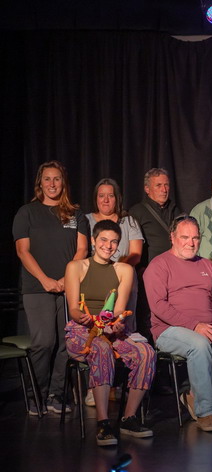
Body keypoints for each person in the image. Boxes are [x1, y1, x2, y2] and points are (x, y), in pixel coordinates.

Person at [144, 215, 212, 432]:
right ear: (172, 237)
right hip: (170, 330)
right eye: (185, 237)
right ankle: (205, 412)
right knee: (199, 344)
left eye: (195, 238)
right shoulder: (159, 265)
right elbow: (158, 306)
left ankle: (194, 395)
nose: (191, 243)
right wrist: (194, 326)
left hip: (209, 329)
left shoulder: (207, 265)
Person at [64, 220, 155, 447]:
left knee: (146, 352)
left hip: (109, 329)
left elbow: (118, 310)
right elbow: (73, 308)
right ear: (93, 241)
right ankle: (103, 423)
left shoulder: (124, 270)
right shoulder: (76, 266)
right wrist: (82, 318)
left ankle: (128, 418)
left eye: (114, 241)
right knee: (101, 348)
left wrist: (117, 323)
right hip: (82, 331)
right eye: (104, 240)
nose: (108, 245)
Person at [13, 161, 88, 415]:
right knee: (44, 342)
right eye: (47, 179)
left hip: (69, 287)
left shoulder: (76, 214)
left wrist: (68, 279)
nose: (52, 184)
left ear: (63, 182)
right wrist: (45, 279)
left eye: (57, 179)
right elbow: (22, 251)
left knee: (67, 343)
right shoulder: (27, 212)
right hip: (37, 288)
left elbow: (82, 250)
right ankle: (36, 395)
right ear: (40, 183)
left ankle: (56, 394)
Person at [129, 168, 181, 342]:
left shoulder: (176, 210)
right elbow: (132, 245)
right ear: (147, 189)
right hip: (150, 274)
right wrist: (141, 269)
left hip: (176, 274)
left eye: (166, 185)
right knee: (149, 316)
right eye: (158, 185)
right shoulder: (137, 212)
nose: (164, 189)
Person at [86, 178, 143, 330]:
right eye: (101, 195)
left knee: (121, 327)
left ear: (117, 198)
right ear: (95, 198)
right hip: (94, 280)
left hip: (124, 280)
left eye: (110, 196)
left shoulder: (129, 221)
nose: (106, 200)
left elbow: (136, 254)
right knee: (95, 328)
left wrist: (117, 274)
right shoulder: (86, 221)